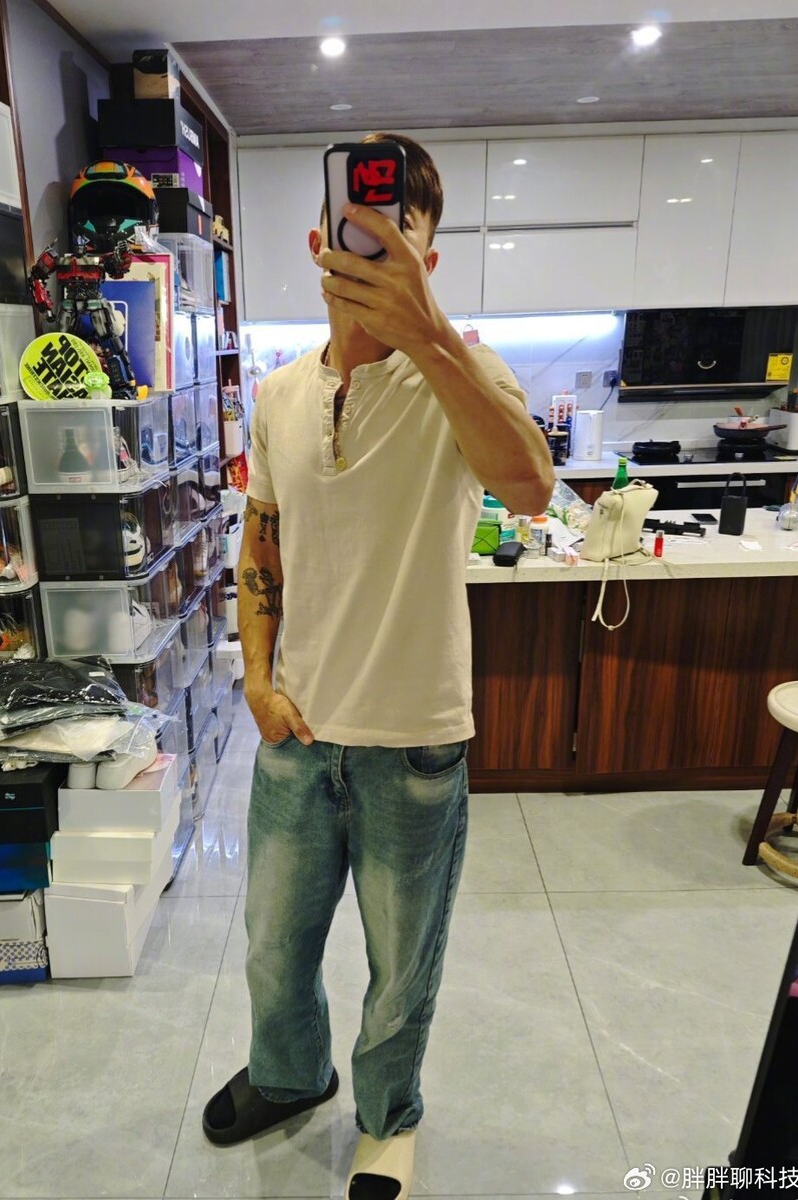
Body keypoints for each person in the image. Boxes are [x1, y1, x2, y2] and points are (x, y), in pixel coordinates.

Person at [202, 132, 555, 1199]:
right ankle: (288, 1075)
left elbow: (530, 487)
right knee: (271, 949)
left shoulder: (465, 374)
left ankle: (388, 1117)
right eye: (356, 229)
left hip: (413, 741)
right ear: (320, 244)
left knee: (400, 969)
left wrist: (428, 332)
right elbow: (261, 540)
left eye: (399, 232)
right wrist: (255, 679)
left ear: (428, 259)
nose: (375, 249)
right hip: (297, 733)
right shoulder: (276, 395)